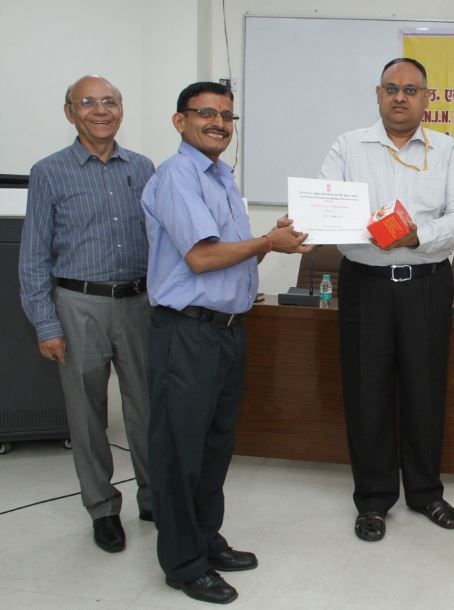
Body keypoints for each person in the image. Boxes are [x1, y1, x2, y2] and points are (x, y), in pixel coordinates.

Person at [142, 81, 311, 604]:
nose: (218, 123)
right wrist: (267, 241)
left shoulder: (221, 179)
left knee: (214, 447)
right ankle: (182, 563)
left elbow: (232, 254)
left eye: (227, 116)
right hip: (187, 333)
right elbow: (201, 258)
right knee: (180, 452)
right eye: (206, 113)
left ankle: (205, 538)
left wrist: (269, 240)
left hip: (227, 332)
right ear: (180, 121)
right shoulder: (177, 176)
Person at [319, 57, 454, 542]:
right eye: (392, 88)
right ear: (378, 94)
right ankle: (372, 500)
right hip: (365, 285)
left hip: (426, 283)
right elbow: (327, 210)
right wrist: (363, 228)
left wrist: (416, 236)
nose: (401, 97)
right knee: (366, 393)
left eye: (411, 89)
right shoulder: (348, 147)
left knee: (424, 391)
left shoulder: (446, 150)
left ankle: (426, 493)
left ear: (427, 98)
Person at [19, 75, 155, 553]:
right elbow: (33, 255)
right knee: (87, 414)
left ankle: (154, 497)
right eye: (88, 102)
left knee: (147, 410)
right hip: (78, 306)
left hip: (139, 303)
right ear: (70, 112)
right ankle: (102, 508)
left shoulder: (142, 167)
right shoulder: (49, 172)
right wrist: (46, 323)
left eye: (110, 102)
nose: (101, 110)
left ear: (121, 109)